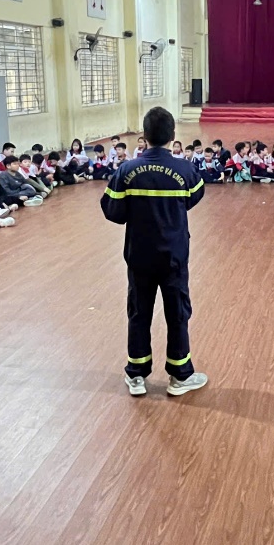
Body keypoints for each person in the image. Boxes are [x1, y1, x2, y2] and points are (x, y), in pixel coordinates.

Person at [100, 107, 207, 398]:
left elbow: (112, 210)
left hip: (139, 256)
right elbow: (194, 196)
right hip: (173, 257)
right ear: (172, 135)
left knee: (139, 313)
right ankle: (180, 376)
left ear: (144, 135)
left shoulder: (126, 170)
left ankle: (136, 375)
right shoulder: (185, 170)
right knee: (177, 314)